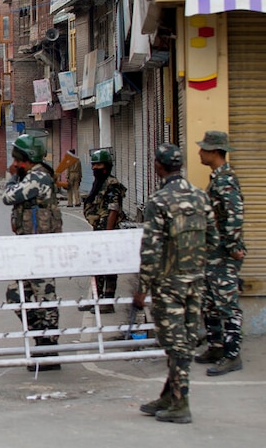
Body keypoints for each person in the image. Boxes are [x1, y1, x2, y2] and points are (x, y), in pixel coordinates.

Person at [134, 143, 218, 424]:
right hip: (196, 282)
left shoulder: (159, 201)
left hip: (169, 284)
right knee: (185, 341)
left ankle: (181, 403)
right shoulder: (200, 197)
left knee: (176, 344)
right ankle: (169, 395)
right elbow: (213, 241)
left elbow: (150, 250)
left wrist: (142, 288)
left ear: (158, 166)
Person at [1, 134, 63, 371]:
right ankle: (41, 340)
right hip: (28, 249)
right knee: (16, 296)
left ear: (24, 159)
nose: (14, 163)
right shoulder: (30, 176)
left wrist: (12, 177)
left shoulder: (38, 177)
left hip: (42, 250)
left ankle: (48, 349)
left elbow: (8, 197)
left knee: (44, 297)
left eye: (17, 159)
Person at [195, 131, 246, 376]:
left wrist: (233, 247)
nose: (199, 153)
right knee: (210, 302)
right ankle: (215, 346)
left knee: (227, 304)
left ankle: (232, 354)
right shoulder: (217, 178)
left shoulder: (225, 180)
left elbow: (234, 214)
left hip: (223, 254)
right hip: (213, 252)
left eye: (203, 149)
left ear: (214, 152)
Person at [80, 149, 126, 313]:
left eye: (99, 164)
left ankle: (107, 301)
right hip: (99, 230)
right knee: (97, 266)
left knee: (109, 267)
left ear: (107, 166)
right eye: (93, 164)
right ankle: (96, 299)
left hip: (109, 231)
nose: (95, 168)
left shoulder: (112, 184)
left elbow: (113, 209)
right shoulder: (99, 182)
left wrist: (107, 235)